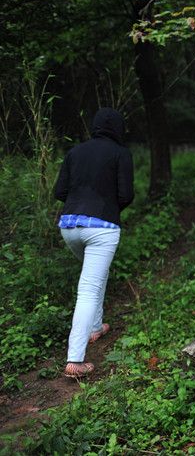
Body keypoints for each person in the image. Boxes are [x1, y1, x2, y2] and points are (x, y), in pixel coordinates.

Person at [54, 108, 134, 378]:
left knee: (96, 276)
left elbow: (59, 192)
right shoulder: (120, 153)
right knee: (88, 288)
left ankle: (96, 327)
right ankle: (75, 360)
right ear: (118, 128)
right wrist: (107, 208)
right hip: (102, 228)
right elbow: (126, 194)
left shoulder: (75, 152)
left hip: (69, 226)